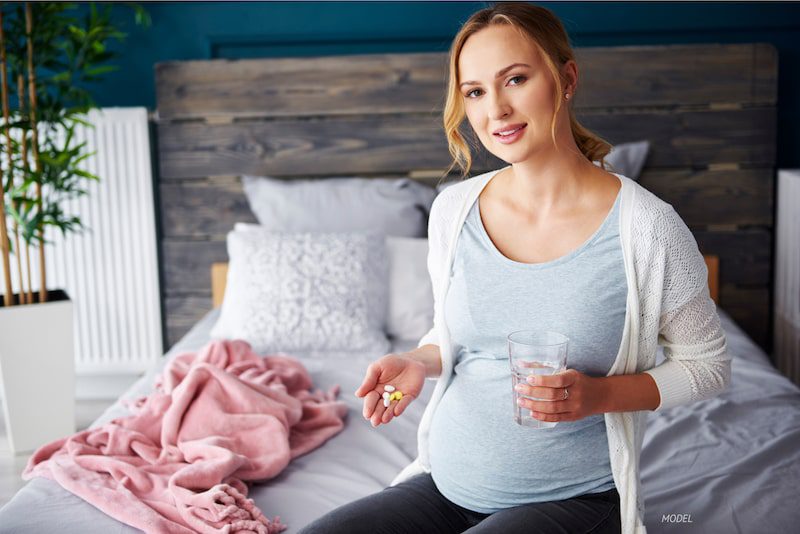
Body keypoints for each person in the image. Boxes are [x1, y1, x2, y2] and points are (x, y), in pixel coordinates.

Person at [298, 3, 730, 533]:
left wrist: (598, 395)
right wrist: (419, 360)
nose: (496, 110)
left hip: (576, 500)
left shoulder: (648, 228)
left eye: (516, 80)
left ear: (566, 78)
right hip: (445, 487)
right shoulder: (453, 211)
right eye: (475, 91)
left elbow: (706, 365)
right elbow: (456, 334)